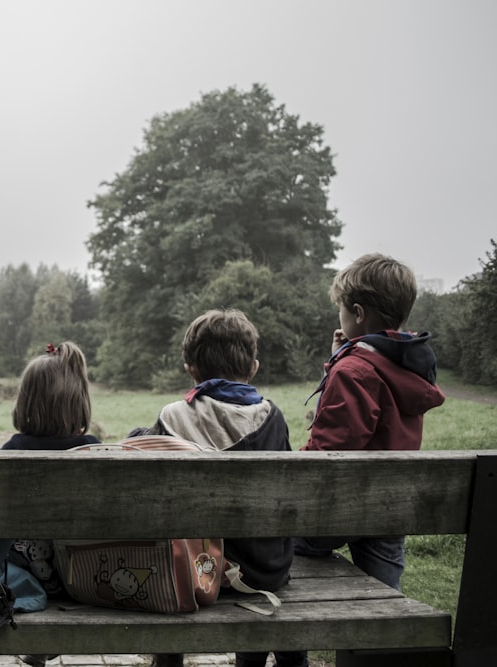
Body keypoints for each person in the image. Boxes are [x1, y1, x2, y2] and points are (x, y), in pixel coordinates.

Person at [130, 309, 303, 667]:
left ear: (190, 368)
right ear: (253, 367)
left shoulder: (172, 417)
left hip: (192, 572)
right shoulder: (273, 418)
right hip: (263, 571)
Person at [294, 253, 446, 591]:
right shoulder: (408, 364)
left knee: (274, 542)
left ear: (358, 313)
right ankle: (380, 636)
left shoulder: (354, 371)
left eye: (342, 310)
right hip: (390, 507)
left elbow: (330, 452)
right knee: (383, 591)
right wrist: (342, 357)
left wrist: (343, 365)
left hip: (340, 508)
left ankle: (290, 636)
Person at [0, 341, 99, 667]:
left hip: (23, 578)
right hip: (87, 578)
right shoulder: (93, 452)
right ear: (79, 402)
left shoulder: (10, 452)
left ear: (25, 402)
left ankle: (38, 647)